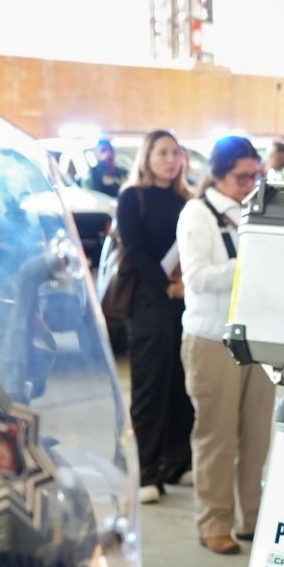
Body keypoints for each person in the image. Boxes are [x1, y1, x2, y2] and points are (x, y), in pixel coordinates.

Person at [176, 136, 274, 555]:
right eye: (241, 177)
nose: (250, 184)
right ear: (217, 174)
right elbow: (196, 278)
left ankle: (250, 518)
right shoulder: (197, 214)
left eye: (256, 176)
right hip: (212, 338)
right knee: (216, 436)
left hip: (258, 339)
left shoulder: (259, 209)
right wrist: (250, 265)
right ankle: (213, 521)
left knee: (257, 435)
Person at [114, 128, 195, 502]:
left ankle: (177, 463)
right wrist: (166, 285)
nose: (170, 159)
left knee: (182, 383)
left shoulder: (187, 200)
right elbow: (134, 249)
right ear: (146, 157)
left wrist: (183, 286)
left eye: (175, 153)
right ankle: (146, 471)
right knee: (150, 385)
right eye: (162, 152)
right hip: (148, 300)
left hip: (185, 301)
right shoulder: (133, 197)